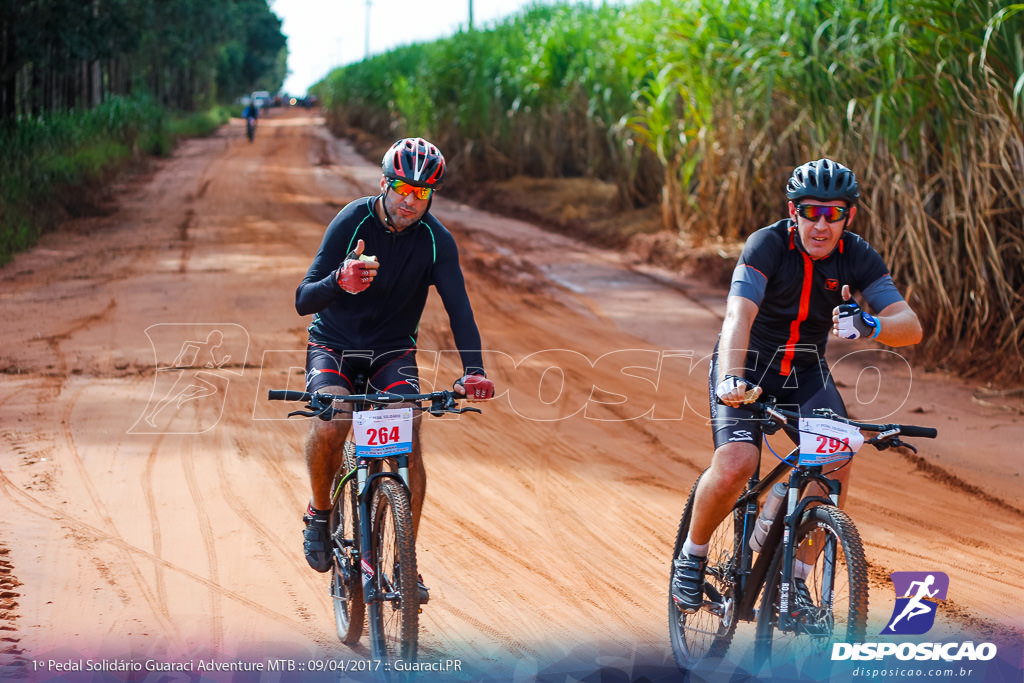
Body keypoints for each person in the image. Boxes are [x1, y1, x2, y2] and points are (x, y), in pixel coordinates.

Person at [671, 158, 923, 613]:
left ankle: (797, 583)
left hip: (804, 372)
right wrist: (731, 377)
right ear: (793, 211)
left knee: (836, 459)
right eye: (811, 212)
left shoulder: (857, 256)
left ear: (850, 216)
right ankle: (691, 558)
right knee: (737, 463)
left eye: (834, 213)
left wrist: (869, 323)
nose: (822, 225)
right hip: (749, 365)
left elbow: (910, 327)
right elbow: (737, 316)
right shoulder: (766, 245)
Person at [294, 137, 494, 601]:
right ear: (384, 183)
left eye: (422, 193)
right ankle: (320, 513)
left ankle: (406, 563)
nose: (410, 201)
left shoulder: (436, 241)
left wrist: (474, 371)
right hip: (334, 345)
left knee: (408, 429)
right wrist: (338, 281)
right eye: (403, 188)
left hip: (391, 351)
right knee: (334, 421)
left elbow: (459, 309)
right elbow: (304, 299)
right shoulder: (352, 220)